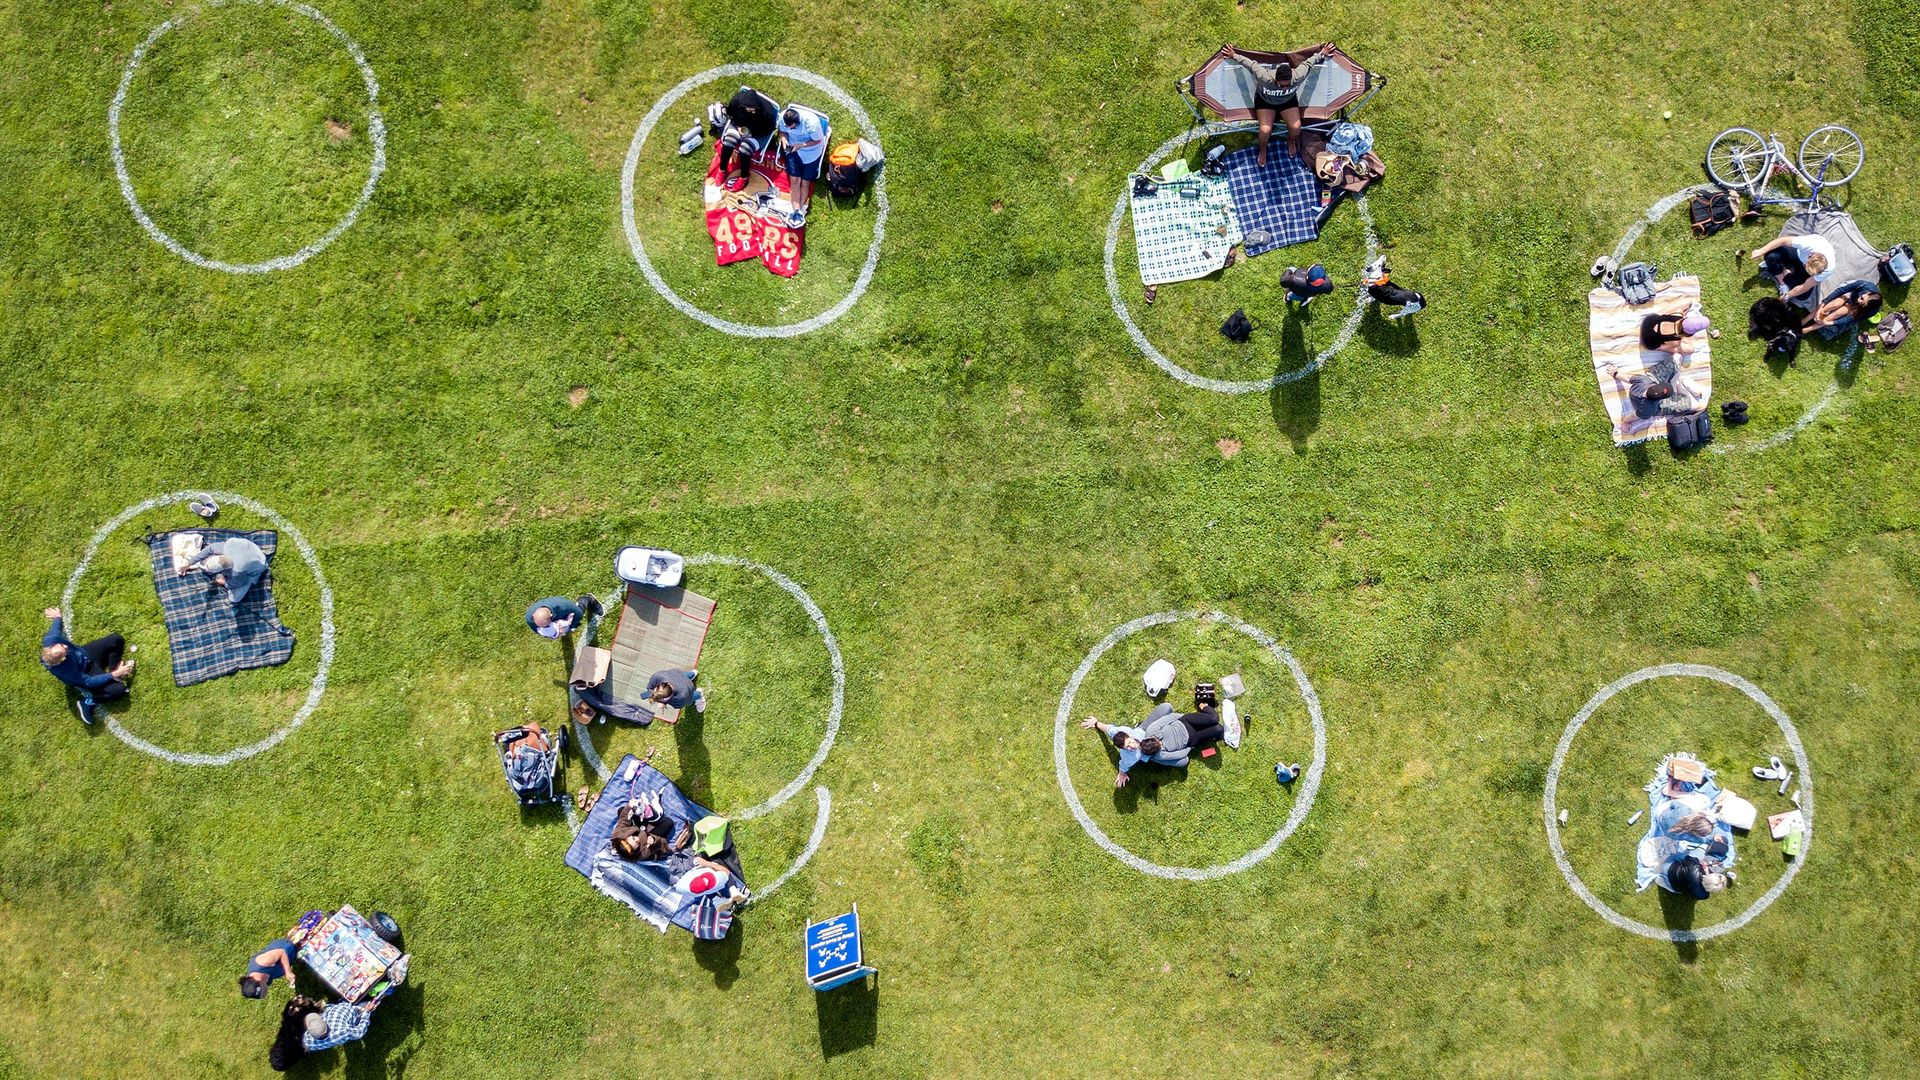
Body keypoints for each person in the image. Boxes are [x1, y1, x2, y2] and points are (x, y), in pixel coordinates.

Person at [1221, 43, 1332, 165]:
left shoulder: (1298, 76)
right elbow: (1250, 64)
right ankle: (1263, 150)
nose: (1284, 88)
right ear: (1275, 80)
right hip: (1265, 102)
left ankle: (1291, 141)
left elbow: (1309, 63)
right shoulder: (1264, 77)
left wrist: (1322, 53)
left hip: (1287, 102)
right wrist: (1234, 55)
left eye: (1287, 85)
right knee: (1265, 130)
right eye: (1281, 85)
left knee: (1296, 127)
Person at [39, 607, 134, 725]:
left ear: (52, 646)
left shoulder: (52, 640)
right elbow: (88, 681)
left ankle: (114, 668)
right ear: (62, 659)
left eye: (62, 645)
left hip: (87, 653)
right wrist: (114, 675)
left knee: (116, 639)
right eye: (64, 650)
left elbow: (55, 630)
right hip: (86, 672)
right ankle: (88, 703)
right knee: (118, 690)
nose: (66, 646)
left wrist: (58, 617)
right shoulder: (65, 670)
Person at [1080, 705, 1192, 788]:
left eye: (1129, 743)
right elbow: (1123, 765)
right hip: (1152, 754)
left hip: (1146, 729)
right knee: (1184, 761)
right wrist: (1122, 774)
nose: (1130, 747)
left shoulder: (1120, 731)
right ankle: (1185, 744)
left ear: (1128, 735)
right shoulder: (1130, 757)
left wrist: (1096, 723)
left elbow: (1109, 729)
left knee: (1167, 707)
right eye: (1126, 748)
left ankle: (1176, 726)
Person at [718, 86, 779, 192]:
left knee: (744, 150)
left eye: (754, 110)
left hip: (758, 134)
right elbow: (731, 115)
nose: (752, 112)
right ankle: (722, 169)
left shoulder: (767, 112)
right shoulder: (736, 101)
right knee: (728, 143)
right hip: (739, 126)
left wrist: (749, 134)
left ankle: (744, 177)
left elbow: (768, 130)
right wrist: (738, 127)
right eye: (750, 110)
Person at [180, 535, 270, 605]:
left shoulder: (237, 572)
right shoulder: (227, 546)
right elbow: (209, 550)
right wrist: (190, 563)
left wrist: (223, 582)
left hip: (256, 566)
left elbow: (238, 582)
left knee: (235, 598)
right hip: (249, 548)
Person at [776, 105, 828, 225]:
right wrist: (784, 139)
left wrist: (800, 145)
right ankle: (796, 210)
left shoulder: (812, 124)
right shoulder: (783, 118)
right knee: (795, 181)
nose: (790, 129)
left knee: (805, 183)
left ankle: (798, 211)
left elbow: (818, 140)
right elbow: (782, 131)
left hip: (811, 152)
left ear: (798, 122)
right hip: (793, 150)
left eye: (792, 127)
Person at [1603, 356, 1700, 418]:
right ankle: (1679, 385)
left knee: (1678, 357)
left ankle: (1676, 383)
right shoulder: (1651, 409)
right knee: (1695, 406)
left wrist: (1615, 373)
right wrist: (1625, 422)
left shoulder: (1644, 381)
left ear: (1654, 384)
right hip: (1661, 404)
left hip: (1653, 382)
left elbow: (1628, 378)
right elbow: (1634, 416)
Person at [1748, 234, 1835, 303]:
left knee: (1802, 296)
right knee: (1770, 256)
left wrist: (1787, 295)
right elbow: (1783, 241)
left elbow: (1806, 286)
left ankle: (1787, 273)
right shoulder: (1808, 244)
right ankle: (1783, 284)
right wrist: (1761, 251)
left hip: (1805, 267)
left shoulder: (1827, 269)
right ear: (1810, 255)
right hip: (1797, 254)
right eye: (1807, 267)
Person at [1802, 280, 1882, 335]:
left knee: (1838, 313)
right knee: (1835, 304)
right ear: (1868, 293)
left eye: (1862, 304)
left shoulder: (1870, 311)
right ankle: (1805, 320)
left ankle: (1807, 330)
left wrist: (1828, 323)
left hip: (1855, 307)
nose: (1859, 301)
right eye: (1862, 298)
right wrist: (1821, 306)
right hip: (1850, 293)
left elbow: (1852, 319)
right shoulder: (1863, 285)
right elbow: (1840, 291)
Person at [268, 995, 325, 1072]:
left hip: (302, 1019)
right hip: (295, 1019)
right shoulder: (285, 1037)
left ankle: (313, 1007)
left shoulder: (301, 1047)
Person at [301, 1000, 375, 1053]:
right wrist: (366, 1012)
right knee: (371, 1000)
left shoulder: (309, 1042)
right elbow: (360, 1031)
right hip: (356, 1013)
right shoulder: (342, 1031)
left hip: (344, 1005)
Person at [1638, 308, 1714, 356]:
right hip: (1646, 340)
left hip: (1648, 320)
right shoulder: (1675, 342)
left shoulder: (1677, 314)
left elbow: (1687, 303)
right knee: (1690, 350)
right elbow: (1661, 348)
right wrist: (1682, 338)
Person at [524, 594, 601, 640]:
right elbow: (536, 629)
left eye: (547, 626)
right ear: (533, 615)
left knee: (580, 612)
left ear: (551, 616)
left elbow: (578, 614)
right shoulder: (529, 618)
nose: (545, 628)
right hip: (554, 616)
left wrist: (571, 626)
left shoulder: (563, 606)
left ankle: (588, 599)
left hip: (562, 611)